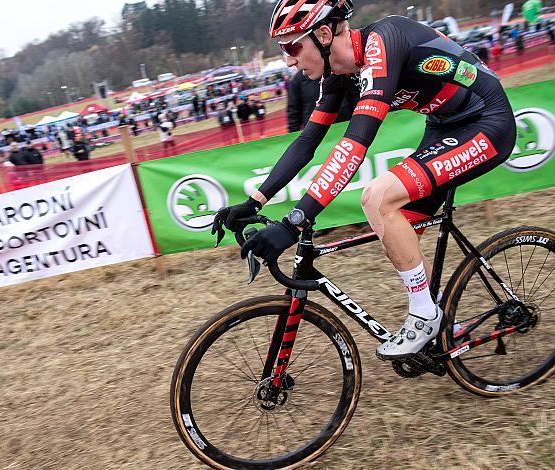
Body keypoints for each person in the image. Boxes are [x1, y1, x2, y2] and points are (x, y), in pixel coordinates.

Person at [212, 0, 517, 360]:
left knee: (377, 197)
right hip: (443, 126)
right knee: (398, 233)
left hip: (488, 122)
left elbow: (355, 145)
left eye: (293, 48)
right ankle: (440, 323)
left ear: (324, 34)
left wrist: (295, 222)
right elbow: (308, 141)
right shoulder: (338, 74)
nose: (289, 61)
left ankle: (425, 317)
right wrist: (255, 201)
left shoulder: (381, 44)